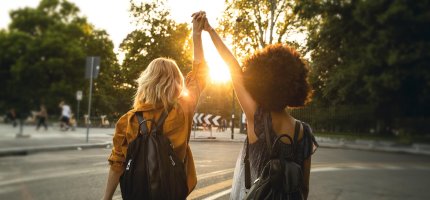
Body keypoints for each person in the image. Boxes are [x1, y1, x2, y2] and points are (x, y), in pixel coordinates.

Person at [194, 12, 318, 199]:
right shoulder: (305, 133)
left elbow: (232, 67)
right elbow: (304, 188)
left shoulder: (257, 117)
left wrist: (209, 31)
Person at [102, 12, 209, 200]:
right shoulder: (181, 110)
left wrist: (106, 198)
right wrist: (196, 34)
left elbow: (117, 166)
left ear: (146, 82)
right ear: (176, 83)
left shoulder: (127, 121)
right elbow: (200, 73)